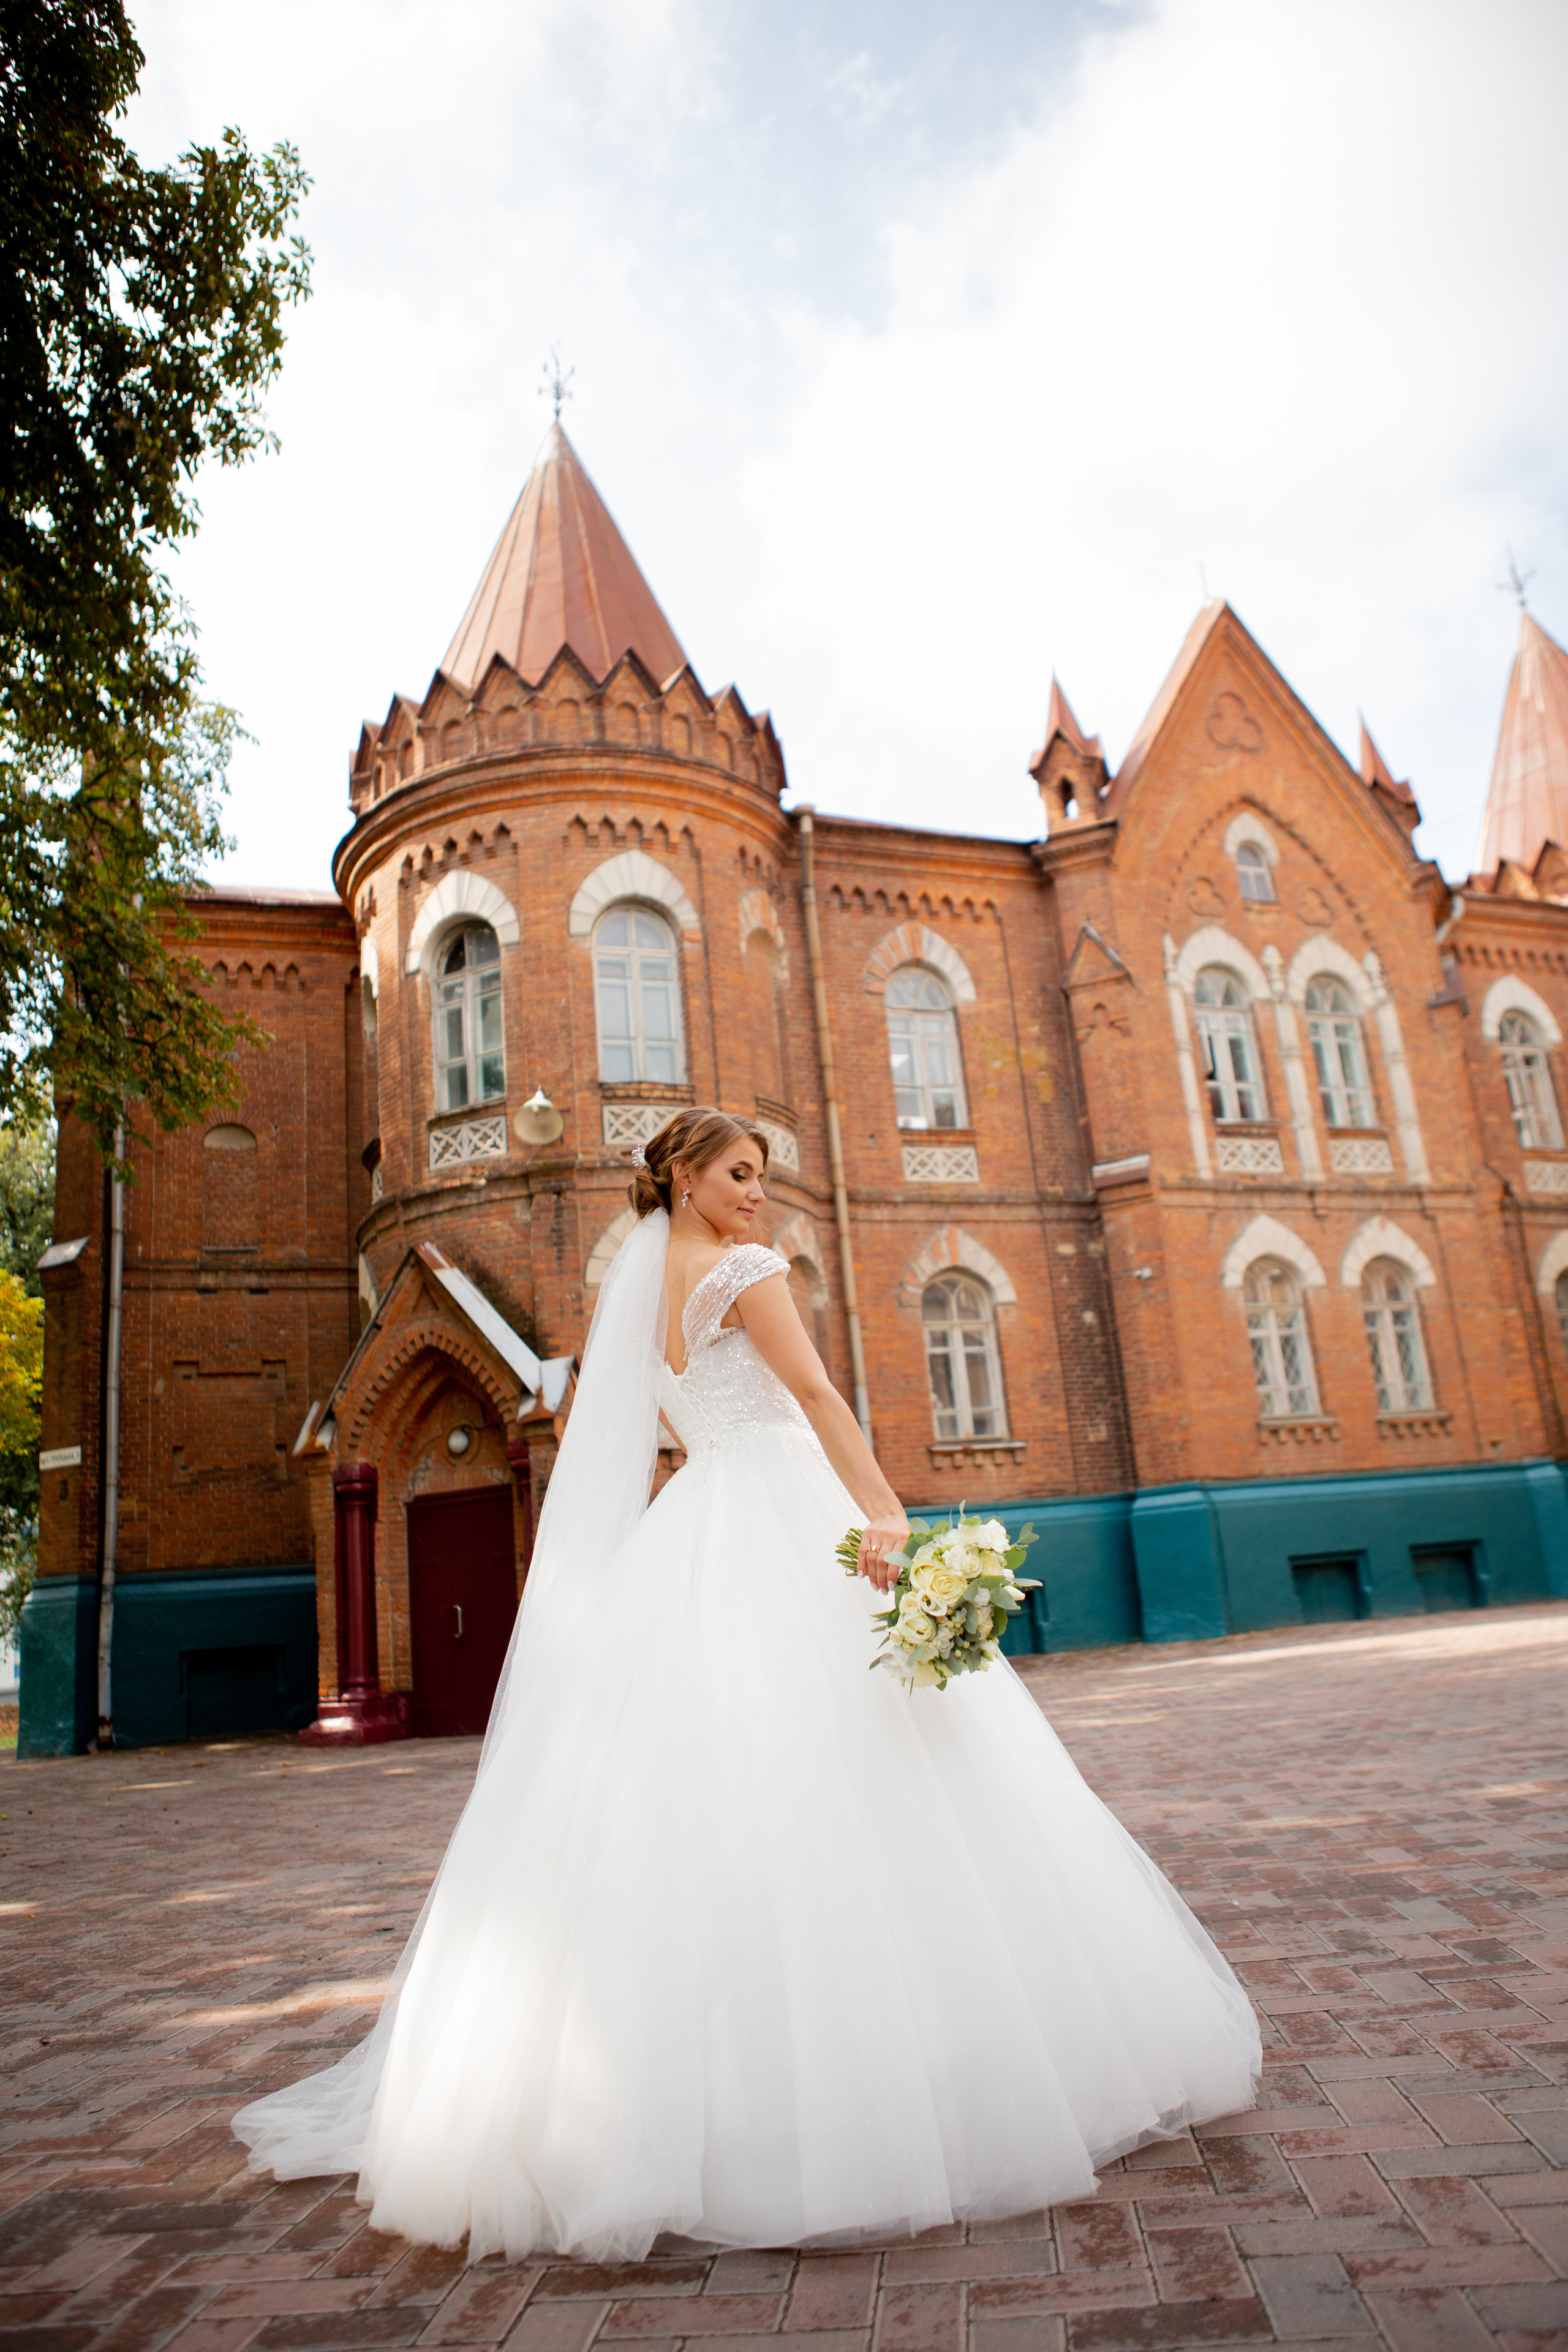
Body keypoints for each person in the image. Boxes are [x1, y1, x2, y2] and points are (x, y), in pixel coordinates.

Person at [235, 1106, 1259, 2261]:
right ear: (683, 1174)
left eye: (761, 1175)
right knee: (867, 1756)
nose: (757, 1192)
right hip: (782, 1506)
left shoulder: (635, 1291)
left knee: (705, 1781)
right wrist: (884, 1509)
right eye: (738, 1172)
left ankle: (677, 2100)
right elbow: (816, 1396)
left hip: (696, 1522)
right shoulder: (745, 1270)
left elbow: (658, 1433)